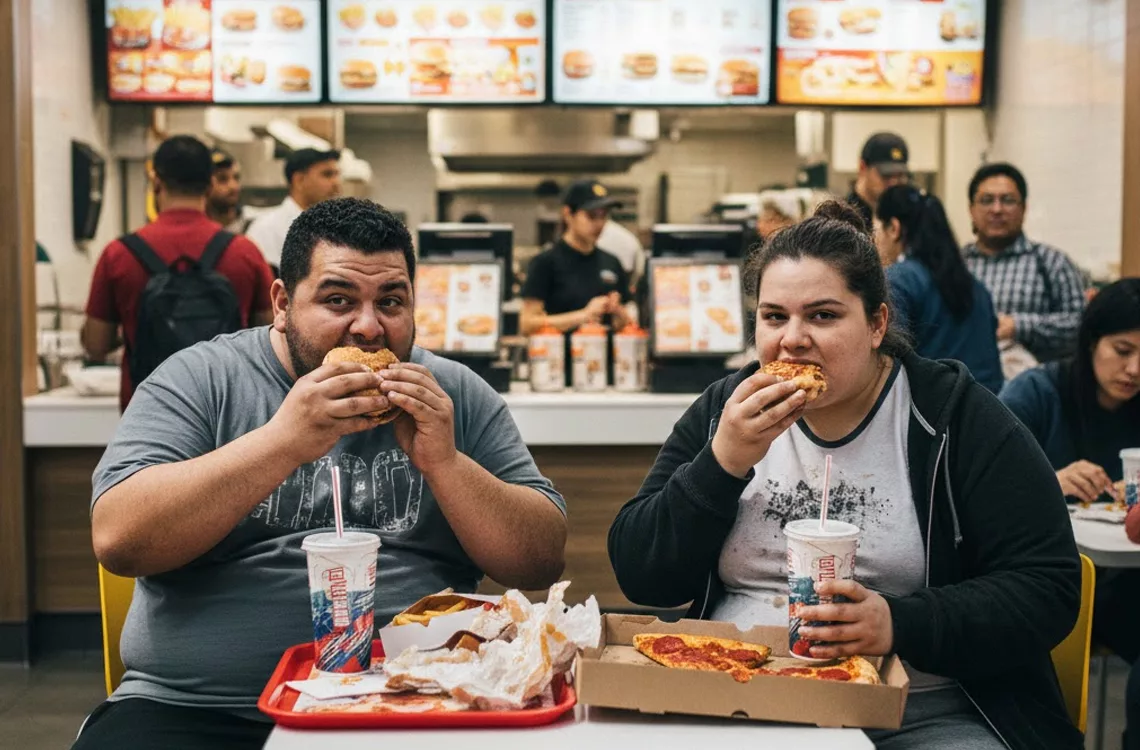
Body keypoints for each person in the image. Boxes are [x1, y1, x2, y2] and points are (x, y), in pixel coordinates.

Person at [73, 197, 568, 750]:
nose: (369, 327)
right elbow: (119, 540)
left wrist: (447, 464)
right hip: (197, 706)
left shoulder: (451, 394)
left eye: (391, 301)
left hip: (416, 698)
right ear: (282, 304)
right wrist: (281, 442)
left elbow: (540, 560)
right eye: (338, 300)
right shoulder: (200, 380)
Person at [608, 201, 1082, 750]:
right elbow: (641, 575)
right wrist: (722, 463)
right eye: (774, 316)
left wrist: (899, 622)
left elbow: (1048, 587)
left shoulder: (954, 416)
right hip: (735, 694)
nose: (792, 339)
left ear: (877, 324)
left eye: (823, 316)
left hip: (918, 712)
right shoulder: (726, 409)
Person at [1000, 278, 1140, 748]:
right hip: (1047, 583)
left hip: (1125, 585)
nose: (1134, 369)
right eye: (1122, 350)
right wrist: (1050, 481)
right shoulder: (1038, 392)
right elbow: (978, 483)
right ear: (1091, 341)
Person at [81, 135, 274, 412]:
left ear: (156, 182)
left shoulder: (119, 254)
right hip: (227, 415)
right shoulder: (244, 252)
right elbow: (269, 338)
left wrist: (136, 324)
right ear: (210, 185)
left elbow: (96, 345)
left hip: (147, 416)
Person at [874, 185, 1003, 393]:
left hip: (932, 406)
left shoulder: (898, 280)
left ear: (894, 228)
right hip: (986, 405)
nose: (875, 239)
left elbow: (888, 365)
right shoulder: (976, 287)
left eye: (877, 228)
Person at [963, 162, 1087, 363]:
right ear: (971, 209)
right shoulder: (956, 265)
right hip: (964, 376)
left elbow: (1081, 325)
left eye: (1008, 200)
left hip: (1034, 378)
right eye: (986, 200)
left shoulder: (1052, 263)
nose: (997, 209)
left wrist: (1018, 326)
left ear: (1024, 208)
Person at [520, 179, 635, 335]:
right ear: (568, 214)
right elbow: (527, 324)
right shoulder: (545, 263)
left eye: (603, 216)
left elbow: (623, 325)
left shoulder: (612, 262)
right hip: (559, 349)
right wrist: (583, 316)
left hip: (603, 349)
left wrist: (618, 312)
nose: (599, 224)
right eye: (591, 216)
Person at [246, 147, 342, 273]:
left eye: (337, 175)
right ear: (299, 180)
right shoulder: (265, 229)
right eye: (327, 174)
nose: (336, 183)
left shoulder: (338, 227)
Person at [847, 132, 910, 229]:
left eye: (900, 176)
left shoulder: (907, 216)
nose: (894, 183)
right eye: (886, 175)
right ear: (862, 167)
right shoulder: (843, 218)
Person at [206, 149, 251, 234]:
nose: (233, 186)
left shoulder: (255, 225)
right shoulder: (195, 230)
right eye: (222, 179)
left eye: (236, 178)